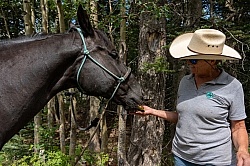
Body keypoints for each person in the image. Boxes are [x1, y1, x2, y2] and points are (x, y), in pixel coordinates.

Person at [135, 29, 250, 166]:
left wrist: (242, 150)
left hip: (216, 161)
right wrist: (153, 111)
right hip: (182, 157)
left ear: (212, 60)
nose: (189, 63)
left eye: (193, 60)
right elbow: (183, 116)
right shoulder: (185, 81)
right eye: (187, 59)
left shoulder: (232, 86)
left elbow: (238, 127)